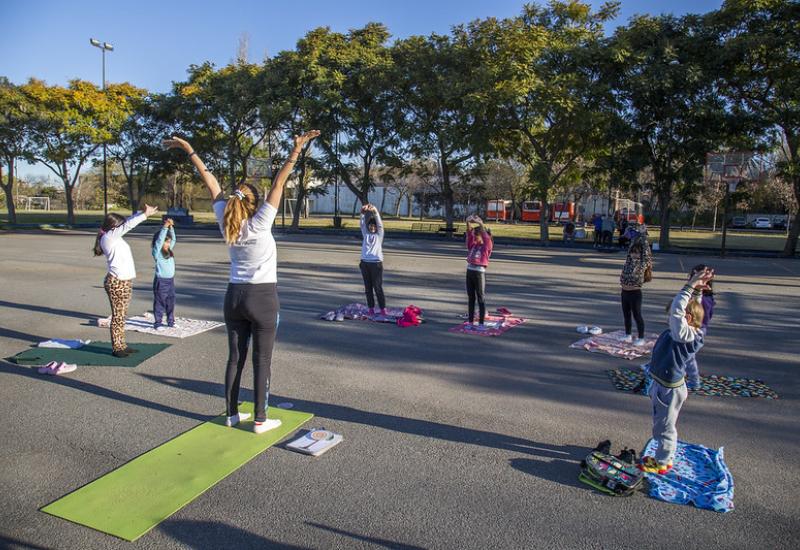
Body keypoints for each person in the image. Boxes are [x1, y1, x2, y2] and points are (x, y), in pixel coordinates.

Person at [163, 130, 320, 434]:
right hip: (262, 299)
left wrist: (189, 148)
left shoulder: (226, 219)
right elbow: (279, 182)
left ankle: (232, 414)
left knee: (235, 358)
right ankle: (260, 419)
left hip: (233, 297)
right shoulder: (261, 222)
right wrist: (296, 150)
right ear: (256, 203)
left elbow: (210, 182)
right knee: (262, 361)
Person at [639, 267, 715, 475]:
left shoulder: (685, 336)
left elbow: (678, 311)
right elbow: (690, 309)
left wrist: (688, 287)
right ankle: (664, 456)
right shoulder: (689, 331)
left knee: (663, 427)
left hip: (668, 390)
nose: (669, 321)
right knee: (663, 424)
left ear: (687, 320)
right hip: (665, 386)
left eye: (673, 319)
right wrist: (697, 292)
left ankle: (663, 461)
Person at [93, 205, 160, 357]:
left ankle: (122, 344)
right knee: (118, 316)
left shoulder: (113, 237)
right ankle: (117, 348)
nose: (122, 227)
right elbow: (128, 224)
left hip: (124, 281)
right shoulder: (109, 237)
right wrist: (144, 215)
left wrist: (141, 212)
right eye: (120, 225)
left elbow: (127, 222)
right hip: (117, 282)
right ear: (114, 226)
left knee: (122, 315)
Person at [684, 264, 716, 390]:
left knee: (688, 357)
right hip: (696, 329)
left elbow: (704, 317)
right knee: (684, 355)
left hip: (696, 331)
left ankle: (694, 381)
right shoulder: (704, 298)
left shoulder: (704, 300)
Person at [619, 234, 653, 346]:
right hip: (624, 292)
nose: (634, 254)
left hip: (635, 293)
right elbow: (630, 247)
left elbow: (646, 253)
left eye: (637, 252)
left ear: (640, 254)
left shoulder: (643, 263)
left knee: (637, 315)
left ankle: (641, 337)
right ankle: (628, 335)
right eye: (633, 252)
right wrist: (636, 236)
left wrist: (643, 236)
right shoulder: (628, 261)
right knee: (626, 315)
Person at [464, 215, 493, 329]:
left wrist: (480, 224)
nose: (474, 237)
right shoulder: (473, 245)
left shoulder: (486, 245)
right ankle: (470, 322)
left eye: (477, 235)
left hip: (479, 272)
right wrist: (468, 222)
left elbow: (486, 237)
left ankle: (481, 323)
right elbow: (469, 235)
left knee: (480, 297)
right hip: (470, 270)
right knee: (471, 297)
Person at [359, 203, 386, 316]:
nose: (373, 227)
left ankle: (382, 309)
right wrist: (362, 213)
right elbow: (362, 224)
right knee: (368, 288)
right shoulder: (365, 234)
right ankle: (371, 308)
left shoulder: (379, 235)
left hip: (376, 264)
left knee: (377, 287)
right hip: (365, 263)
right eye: (371, 226)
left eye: (374, 226)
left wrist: (375, 211)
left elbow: (379, 224)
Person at [151, 218, 177, 329]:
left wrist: (171, 228)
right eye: (166, 242)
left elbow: (174, 239)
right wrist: (165, 227)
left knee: (171, 301)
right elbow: (159, 241)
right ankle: (158, 323)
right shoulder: (157, 252)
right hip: (161, 281)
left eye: (169, 242)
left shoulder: (169, 250)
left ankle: (171, 321)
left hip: (170, 281)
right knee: (160, 302)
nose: (168, 244)